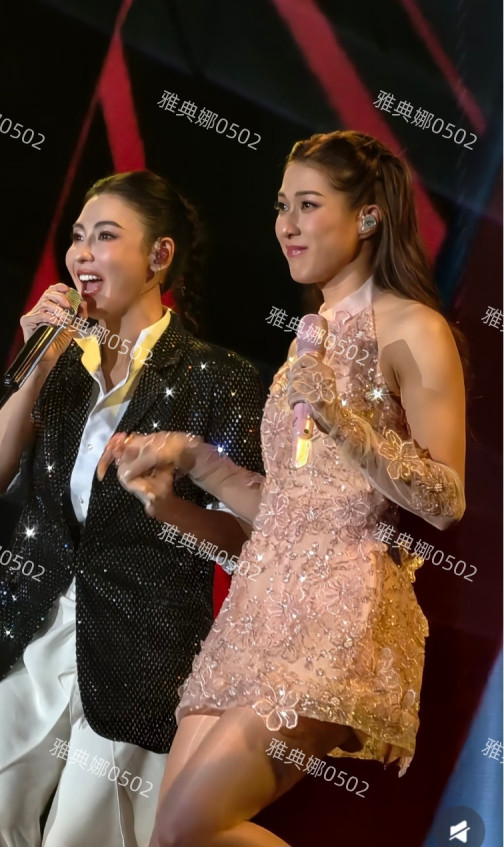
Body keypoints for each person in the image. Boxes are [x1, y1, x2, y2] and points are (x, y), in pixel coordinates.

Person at [99, 131, 467, 847]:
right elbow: (288, 513)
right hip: (256, 613)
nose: (286, 225)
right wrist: (189, 469)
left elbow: (445, 499)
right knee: (168, 840)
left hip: (339, 614)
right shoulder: (309, 335)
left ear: (367, 216)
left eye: (307, 205)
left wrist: (341, 419)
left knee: (184, 830)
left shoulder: (414, 329)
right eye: (280, 206)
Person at [0, 170, 265, 847]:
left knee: (90, 836)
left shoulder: (218, 379)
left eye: (105, 236)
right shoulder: (59, 361)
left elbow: (254, 538)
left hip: (145, 649)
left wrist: (171, 505)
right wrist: (38, 367)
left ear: (159, 255)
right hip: (28, 625)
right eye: (77, 236)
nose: (82, 253)